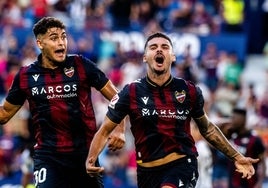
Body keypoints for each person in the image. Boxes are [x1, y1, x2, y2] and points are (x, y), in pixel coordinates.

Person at [85, 32, 259, 188]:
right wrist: (91, 159)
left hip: (182, 164)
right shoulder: (130, 92)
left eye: (165, 47)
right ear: (145, 57)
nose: (159, 50)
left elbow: (208, 129)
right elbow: (104, 130)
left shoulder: (189, 90)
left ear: (173, 56)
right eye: (153, 47)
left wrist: (237, 156)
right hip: (146, 172)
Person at [0, 16, 125, 188]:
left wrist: (119, 128)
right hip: (48, 157)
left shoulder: (81, 65)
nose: (61, 43)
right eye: (54, 38)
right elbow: (5, 114)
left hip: (85, 154)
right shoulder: (25, 76)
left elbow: (118, 98)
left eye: (63, 37)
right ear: (40, 43)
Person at [227, 108, 266, 188]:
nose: (231, 121)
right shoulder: (232, 136)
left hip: (249, 184)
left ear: (242, 119)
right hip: (232, 183)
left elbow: (263, 163)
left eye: (234, 118)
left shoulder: (255, 139)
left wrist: (260, 182)